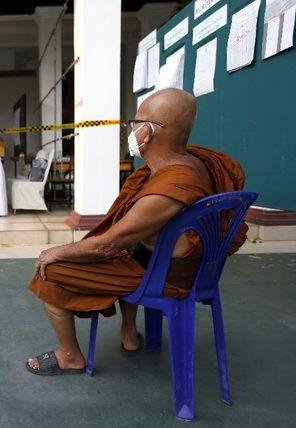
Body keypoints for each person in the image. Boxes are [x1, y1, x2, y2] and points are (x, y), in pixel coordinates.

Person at [25, 88, 248, 375]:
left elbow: (108, 246)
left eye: (135, 122)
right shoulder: (191, 161)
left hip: (165, 276)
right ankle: (129, 332)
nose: (131, 129)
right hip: (162, 260)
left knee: (50, 273)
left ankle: (70, 355)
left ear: (149, 132)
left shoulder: (172, 184)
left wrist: (55, 252)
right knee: (132, 247)